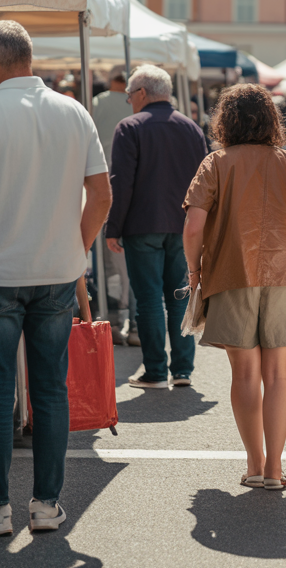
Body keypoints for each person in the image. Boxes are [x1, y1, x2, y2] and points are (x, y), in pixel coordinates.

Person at [0, 21, 112, 536]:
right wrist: (75, 248)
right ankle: (46, 505)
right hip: (56, 271)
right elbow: (102, 197)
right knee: (50, 390)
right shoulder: (73, 111)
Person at [182, 85, 286, 490]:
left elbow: (193, 227)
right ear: (271, 120)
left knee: (245, 375)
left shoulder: (216, 163)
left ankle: (255, 464)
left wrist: (195, 270)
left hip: (230, 275)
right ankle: (276, 469)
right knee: (278, 376)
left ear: (225, 120)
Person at [105, 64, 206, 389]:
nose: (129, 100)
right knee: (179, 296)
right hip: (184, 225)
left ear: (142, 93)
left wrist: (113, 226)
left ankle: (155, 370)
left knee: (148, 299)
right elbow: (204, 183)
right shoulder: (191, 128)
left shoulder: (130, 127)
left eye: (129, 95)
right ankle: (183, 370)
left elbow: (121, 184)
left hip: (142, 224)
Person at [92, 66, 137, 345]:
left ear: (112, 80)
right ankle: (130, 319)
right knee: (127, 257)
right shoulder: (135, 104)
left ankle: (113, 317)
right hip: (130, 184)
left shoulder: (98, 103)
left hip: (99, 182)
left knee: (106, 256)